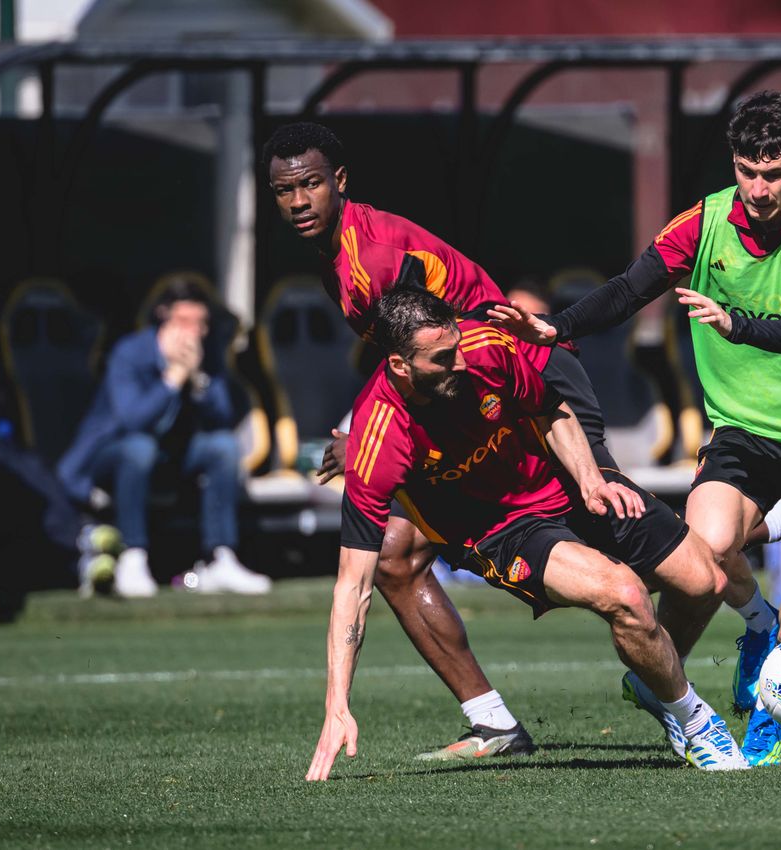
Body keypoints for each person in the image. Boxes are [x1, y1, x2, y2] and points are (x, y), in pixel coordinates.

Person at [489, 90, 781, 767]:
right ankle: (735, 638)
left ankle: (770, 717)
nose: (758, 188)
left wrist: (737, 324)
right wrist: (559, 325)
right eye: (746, 170)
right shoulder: (702, 225)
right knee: (704, 551)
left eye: (774, 172)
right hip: (743, 434)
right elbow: (627, 288)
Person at [265, 122, 622, 759]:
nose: (298, 202)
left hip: (528, 380)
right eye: (284, 190)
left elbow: (423, 349)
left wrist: (360, 435)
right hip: (467, 396)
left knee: (618, 517)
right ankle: (494, 723)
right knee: (397, 552)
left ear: (340, 183)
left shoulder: (371, 259)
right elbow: (405, 361)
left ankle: (775, 525)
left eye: (311, 184)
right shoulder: (336, 255)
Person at [305, 288, 746, 778]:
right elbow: (353, 586)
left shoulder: (485, 347)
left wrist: (590, 479)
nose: (462, 362)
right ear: (400, 365)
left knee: (708, 581)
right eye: (442, 357)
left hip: (563, 481)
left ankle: (654, 680)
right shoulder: (378, 439)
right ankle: (695, 719)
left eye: (457, 344)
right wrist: (337, 705)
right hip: (502, 529)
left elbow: (551, 409)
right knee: (626, 595)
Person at [57, 279, 270, 597]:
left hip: (171, 456)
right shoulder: (130, 353)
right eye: (183, 322)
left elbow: (224, 415)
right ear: (163, 319)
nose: (193, 332)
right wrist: (172, 377)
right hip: (111, 457)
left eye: (200, 323)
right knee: (140, 448)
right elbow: (133, 420)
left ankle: (220, 558)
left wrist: (197, 379)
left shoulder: (206, 355)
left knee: (224, 447)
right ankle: (133, 556)